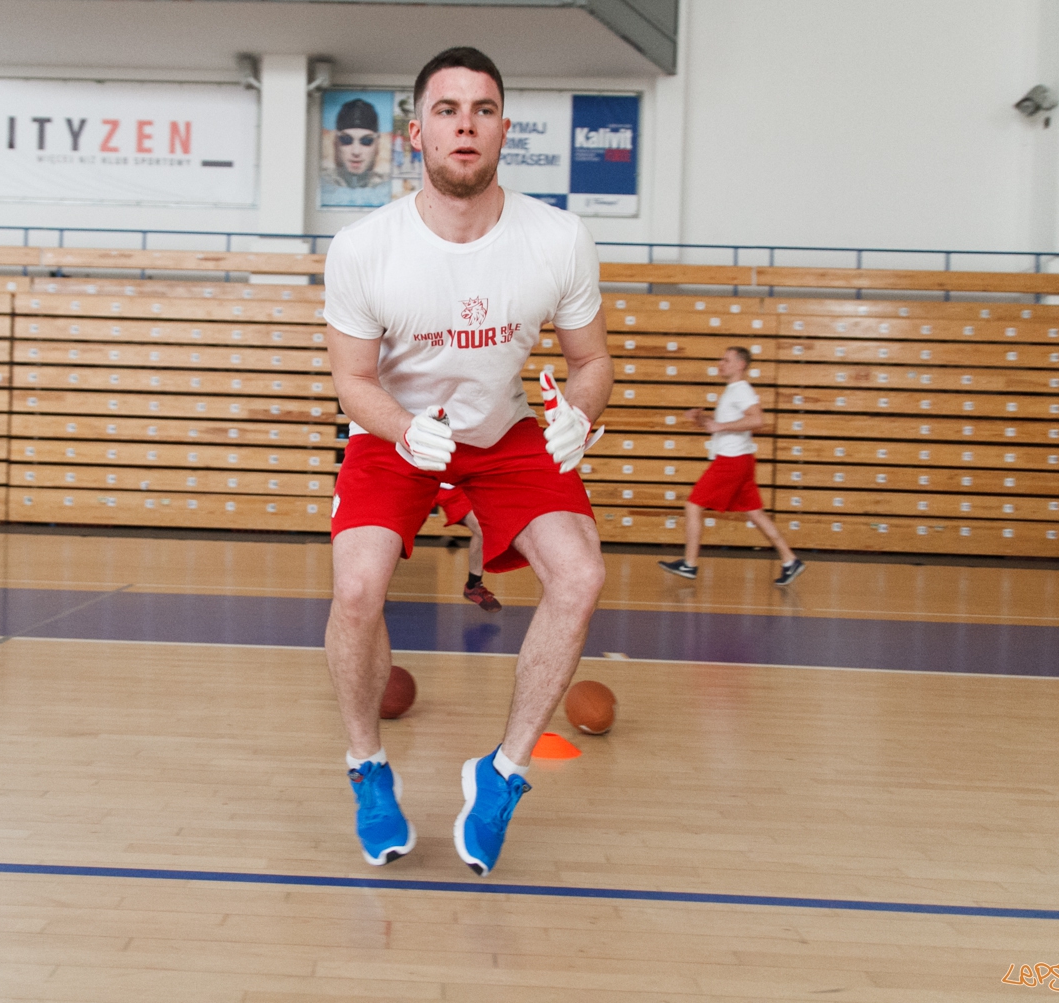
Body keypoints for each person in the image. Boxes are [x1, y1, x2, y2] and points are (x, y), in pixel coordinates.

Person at [323, 46, 612, 876]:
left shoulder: (557, 237)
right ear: (417, 132)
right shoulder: (365, 247)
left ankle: (504, 770)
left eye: (482, 110)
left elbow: (592, 362)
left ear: (503, 132)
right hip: (397, 432)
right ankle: (367, 767)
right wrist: (405, 429)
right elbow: (351, 379)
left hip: (507, 434)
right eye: (447, 110)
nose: (465, 125)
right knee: (356, 588)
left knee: (582, 576)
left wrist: (580, 418)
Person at [659, 346, 805, 587]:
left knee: (693, 505)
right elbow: (718, 426)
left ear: (740, 365)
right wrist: (700, 419)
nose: (720, 363)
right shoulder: (731, 391)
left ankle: (689, 564)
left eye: (725, 360)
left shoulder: (741, 390)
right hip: (742, 459)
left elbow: (758, 420)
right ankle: (790, 560)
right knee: (755, 513)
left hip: (731, 460)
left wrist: (719, 426)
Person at [435, 483, 502, 612]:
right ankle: (383, 587)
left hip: (452, 487)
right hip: (416, 478)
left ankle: (473, 586)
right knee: (395, 534)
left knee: (482, 528)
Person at [320, 97, 392, 208]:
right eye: (346, 140)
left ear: (377, 145)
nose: (356, 151)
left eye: (366, 141)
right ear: (336, 143)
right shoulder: (324, 184)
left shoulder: (387, 185)